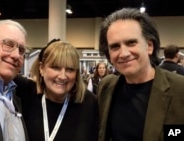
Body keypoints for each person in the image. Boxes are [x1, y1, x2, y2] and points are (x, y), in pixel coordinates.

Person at [98, 8, 184, 141]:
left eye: (131, 42)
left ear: (149, 46)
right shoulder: (106, 87)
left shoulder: (179, 89)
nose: (124, 53)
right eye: (115, 46)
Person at [19, 39, 99, 141]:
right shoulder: (25, 95)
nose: (62, 76)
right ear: (41, 68)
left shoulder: (89, 103)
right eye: (56, 68)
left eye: (70, 69)